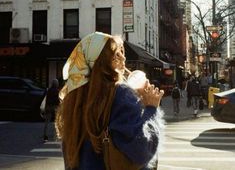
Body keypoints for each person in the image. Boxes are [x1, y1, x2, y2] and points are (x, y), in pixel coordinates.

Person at [55, 32, 164, 170]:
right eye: (116, 54)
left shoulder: (72, 99)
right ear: (102, 61)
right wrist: (151, 109)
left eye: (121, 52)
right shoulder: (121, 94)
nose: (123, 58)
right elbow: (141, 151)